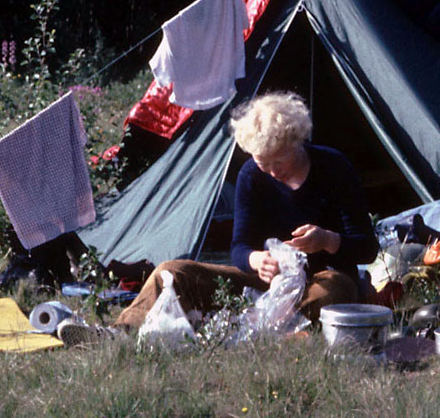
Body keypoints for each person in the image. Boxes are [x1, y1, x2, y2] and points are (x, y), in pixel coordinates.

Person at [104, 90, 379, 335]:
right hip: (265, 282)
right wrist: (257, 259)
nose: (272, 171)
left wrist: (327, 241)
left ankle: (246, 329)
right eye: (263, 162)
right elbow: (239, 248)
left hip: (320, 279)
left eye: (279, 160)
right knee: (173, 272)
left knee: (336, 289)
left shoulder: (333, 166)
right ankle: (119, 332)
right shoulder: (251, 176)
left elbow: (367, 249)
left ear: (297, 141)